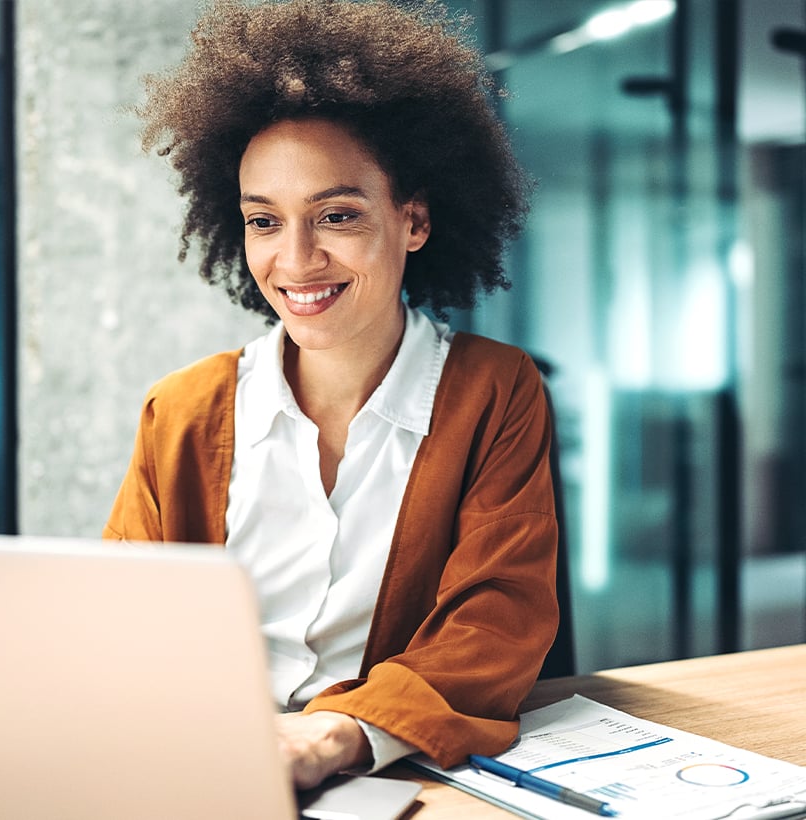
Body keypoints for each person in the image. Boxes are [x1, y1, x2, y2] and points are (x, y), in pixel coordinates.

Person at [104, 0, 559, 791]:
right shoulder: (181, 412)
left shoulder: (495, 392)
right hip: (200, 773)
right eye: (262, 221)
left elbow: (498, 623)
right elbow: (117, 624)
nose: (296, 259)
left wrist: (329, 739)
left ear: (412, 219)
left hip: (386, 774)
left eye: (337, 215)